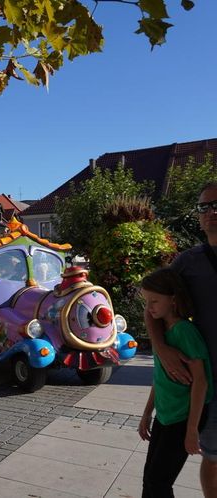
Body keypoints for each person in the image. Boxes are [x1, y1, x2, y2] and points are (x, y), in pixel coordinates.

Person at [146, 181, 217, 498]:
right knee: (213, 460)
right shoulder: (189, 262)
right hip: (208, 380)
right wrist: (161, 349)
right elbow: (151, 304)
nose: (211, 212)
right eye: (204, 206)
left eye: (216, 205)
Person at [138, 268, 213, 498]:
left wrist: (192, 430)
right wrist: (147, 412)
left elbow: (201, 382)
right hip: (166, 416)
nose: (149, 308)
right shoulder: (163, 331)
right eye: (146, 301)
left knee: (159, 482)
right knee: (150, 478)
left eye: (154, 301)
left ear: (173, 300)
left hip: (182, 419)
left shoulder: (184, 331)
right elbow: (159, 378)